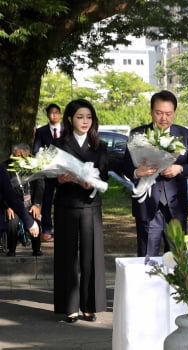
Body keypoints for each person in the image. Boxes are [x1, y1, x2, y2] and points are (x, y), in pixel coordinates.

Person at [122, 90, 188, 257]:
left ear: (174, 113)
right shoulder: (138, 134)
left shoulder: (184, 134)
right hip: (147, 201)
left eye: (168, 113)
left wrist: (179, 169)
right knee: (147, 257)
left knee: (178, 256)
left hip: (175, 203)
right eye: (159, 113)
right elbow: (126, 166)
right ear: (151, 112)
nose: (164, 118)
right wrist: (138, 171)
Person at [52, 99, 108, 323]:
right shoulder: (59, 145)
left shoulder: (99, 145)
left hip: (89, 205)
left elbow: (103, 176)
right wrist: (59, 179)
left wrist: (92, 183)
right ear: (69, 119)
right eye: (79, 117)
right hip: (66, 205)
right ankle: (70, 307)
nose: (85, 122)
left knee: (91, 256)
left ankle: (89, 305)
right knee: (67, 256)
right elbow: (49, 179)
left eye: (89, 117)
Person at [2, 143, 44, 256]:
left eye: (23, 155)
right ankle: (11, 250)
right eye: (17, 155)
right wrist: (7, 206)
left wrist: (36, 204)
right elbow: (3, 190)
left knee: (35, 219)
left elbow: (40, 186)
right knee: (12, 222)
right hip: (13, 204)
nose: (19, 158)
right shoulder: (5, 167)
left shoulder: (34, 166)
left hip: (30, 202)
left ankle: (36, 249)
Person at [33, 103, 63, 242]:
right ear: (47, 115)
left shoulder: (67, 130)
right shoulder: (42, 131)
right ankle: (46, 230)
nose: (54, 115)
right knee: (47, 201)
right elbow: (36, 151)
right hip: (47, 174)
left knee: (63, 202)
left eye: (56, 112)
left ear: (60, 114)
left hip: (64, 174)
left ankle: (63, 228)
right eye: (51, 113)